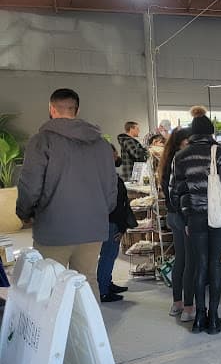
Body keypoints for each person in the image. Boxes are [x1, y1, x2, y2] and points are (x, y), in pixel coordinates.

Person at [16, 88, 118, 301]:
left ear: (51, 109)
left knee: (50, 286)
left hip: (54, 228)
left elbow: (30, 185)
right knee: (87, 282)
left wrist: (24, 213)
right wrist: (100, 212)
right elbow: (111, 188)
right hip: (92, 228)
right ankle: (90, 324)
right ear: (76, 110)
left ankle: (58, 325)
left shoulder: (41, 141)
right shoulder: (101, 144)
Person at [171, 106, 221, 335]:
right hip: (219, 218)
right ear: (211, 132)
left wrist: (184, 217)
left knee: (199, 265)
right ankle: (213, 319)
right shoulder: (219, 153)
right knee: (216, 265)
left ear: (192, 133)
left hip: (194, 217)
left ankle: (198, 318)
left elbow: (175, 191)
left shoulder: (180, 156)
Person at [159, 128, 194, 322]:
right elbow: (181, 195)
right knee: (189, 262)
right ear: (181, 142)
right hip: (183, 217)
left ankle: (177, 303)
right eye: (189, 142)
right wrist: (188, 219)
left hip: (173, 215)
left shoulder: (167, 161)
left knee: (181, 260)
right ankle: (188, 307)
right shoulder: (180, 161)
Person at [97, 144, 135, 302]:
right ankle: (103, 290)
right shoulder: (107, 177)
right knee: (108, 255)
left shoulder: (103, 175)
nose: (117, 157)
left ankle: (106, 283)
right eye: (114, 154)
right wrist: (121, 226)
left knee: (109, 255)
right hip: (111, 222)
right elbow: (116, 205)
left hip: (109, 221)